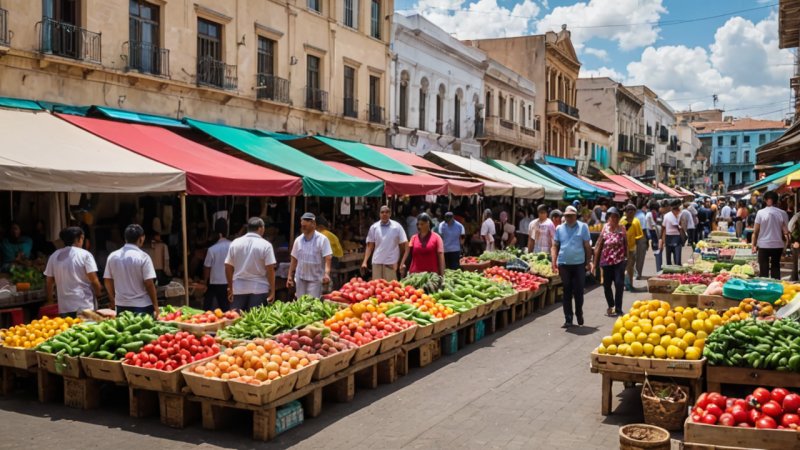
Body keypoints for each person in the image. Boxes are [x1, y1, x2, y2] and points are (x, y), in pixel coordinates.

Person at [44, 227, 102, 317]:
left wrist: (50, 300)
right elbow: (93, 279)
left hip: (64, 308)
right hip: (84, 306)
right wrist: (99, 293)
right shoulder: (85, 254)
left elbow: (49, 282)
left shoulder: (54, 256)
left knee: (70, 330)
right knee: (87, 330)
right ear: (79, 238)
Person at [551, 206, 593, 328]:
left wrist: (588, 261)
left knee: (579, 291)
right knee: (567, 291)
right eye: (567, 216)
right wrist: (553, 261)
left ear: (576, 216)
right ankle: (568, 318)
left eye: (571, 215)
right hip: (564, 264)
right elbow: (555, 245)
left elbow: (587, 246)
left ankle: (579, 313)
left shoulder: (583, 227)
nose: (569, 218)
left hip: (579, 264)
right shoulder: (559, 228)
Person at [104, 224, 159, 316]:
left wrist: (113, 299)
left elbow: (107, 281)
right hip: (142, 306)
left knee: (124, 330)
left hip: (121, 305)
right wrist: (156, 305)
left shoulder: (113, 256)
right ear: (141, 238)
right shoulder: (143, 257)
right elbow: (149, 283)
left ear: (125, 238)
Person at [224, 217, 276, 311]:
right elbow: (270, 269)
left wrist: (230, 287)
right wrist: (272, 290)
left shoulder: (235, 243)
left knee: (236, 320)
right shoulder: (266, 245)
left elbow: (228, 266)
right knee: (255, 322)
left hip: (239, 287)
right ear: (260, 228)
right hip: (259, 288)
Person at [288, 213, 332, 299]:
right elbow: (294, 259)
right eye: (302, 226)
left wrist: (326, 274)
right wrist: (289, 276)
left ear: (313, 224)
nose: (303, 228)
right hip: (300, 278)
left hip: (315, 279)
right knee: (300, 304)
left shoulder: (322, 240)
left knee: (312, 305)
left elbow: (328, 258)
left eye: (305, 226)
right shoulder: (298, 240)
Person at [594, 207, 627, 316]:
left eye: (616, 216)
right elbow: (599, 245)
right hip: (606, 262)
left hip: (619, 261)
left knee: (619, 284)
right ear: (609, 217)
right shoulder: (605, 228)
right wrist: (595, 264)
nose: (614, 219)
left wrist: (626, 258)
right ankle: (611, 305)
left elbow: (625, 244)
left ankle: (618, 308)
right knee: (606, 285)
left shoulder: (622, 229)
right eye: (612, 216)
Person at [362, 206, 408, 281]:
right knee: (377, 288)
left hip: (391, 264)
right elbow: (370, 246)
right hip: (377, 262)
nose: (384, 214)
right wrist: (365, 261)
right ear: (379, 214)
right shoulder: (374, 227)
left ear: (390, 214)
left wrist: (400, 262)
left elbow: (404, 246)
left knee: (391, 289)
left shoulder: (397, 227)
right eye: (382, 212)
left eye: (387, 212)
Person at [752, 191, 789, 279]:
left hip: (763, 244)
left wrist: (753, 245)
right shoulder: (783, 213)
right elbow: (786, 232)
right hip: (778, 245)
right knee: (775, 267)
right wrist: (785, 246)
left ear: (765, 200)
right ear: (777, 200)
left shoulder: (760, 213)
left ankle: (764, 290)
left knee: (763, 270)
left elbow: (756, 231)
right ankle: (775, 289)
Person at [203, 218, 231, 311]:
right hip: (230, 282)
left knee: (208, 308)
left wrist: (205, 281)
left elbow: (207, 267)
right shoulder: (233, 246)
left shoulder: (212, 249)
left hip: (214, 283)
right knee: (227, 308)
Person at [620, 204, 644, 290]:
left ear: (635, 212)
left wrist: (637, 248)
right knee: (624, 267)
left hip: (631, 248)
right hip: (622, 248)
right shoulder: (622, 221)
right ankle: (624, 284)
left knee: (630, 267)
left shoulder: (636, 221)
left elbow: (639, 236)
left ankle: (630, 284)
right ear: (625, 212)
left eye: (632, 210)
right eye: (628, 210)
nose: (630, 212)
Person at [144, 218, 171, 286]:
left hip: (146, 274)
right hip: (157, 273)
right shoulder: (163, 246)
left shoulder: (141, 247)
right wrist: (169, 274)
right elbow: (166, 263)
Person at [660, 200, 685, 265]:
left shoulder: (679, 215)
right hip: (671, 237)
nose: (678, 211)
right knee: (672, 258)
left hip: (673, 237)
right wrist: (661, 238)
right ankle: (671, 272)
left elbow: (663, 227)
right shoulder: (668, 216)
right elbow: (663, 227)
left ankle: (676, 270)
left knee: (676, 258)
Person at [646, 201, 662, 273]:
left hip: (654, 229)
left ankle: (656, 251)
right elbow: (651, 223)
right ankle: (656, 253)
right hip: (651, 230)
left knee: (656, 242)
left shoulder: (652, 213)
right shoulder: (649, 214)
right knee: (654, 242)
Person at [634, 203, 649, 280]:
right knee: (640, 257)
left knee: (631, 256)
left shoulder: (627, 215)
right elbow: (644, 229)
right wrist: (647, 241)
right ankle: (638, 274)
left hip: (631, 237)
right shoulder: (642, 216)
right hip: (640, 237)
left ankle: (633, 273)